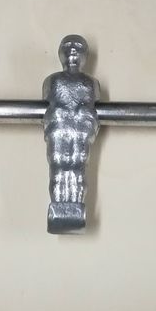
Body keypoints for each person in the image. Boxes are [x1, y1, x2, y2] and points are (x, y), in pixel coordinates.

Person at [43, 34, 99, 234]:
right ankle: (59, 208)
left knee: (77, 166)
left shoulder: (90, 83)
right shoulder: (53, 81)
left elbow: (91, 108)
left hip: (80, 128)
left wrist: (84, 114)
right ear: (60, 53)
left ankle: (75, 207)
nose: (73, 50)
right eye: (67, 46)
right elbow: (49, 104)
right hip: (59, 127)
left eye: (78, 47)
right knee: (59, 165)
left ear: (85, 56)